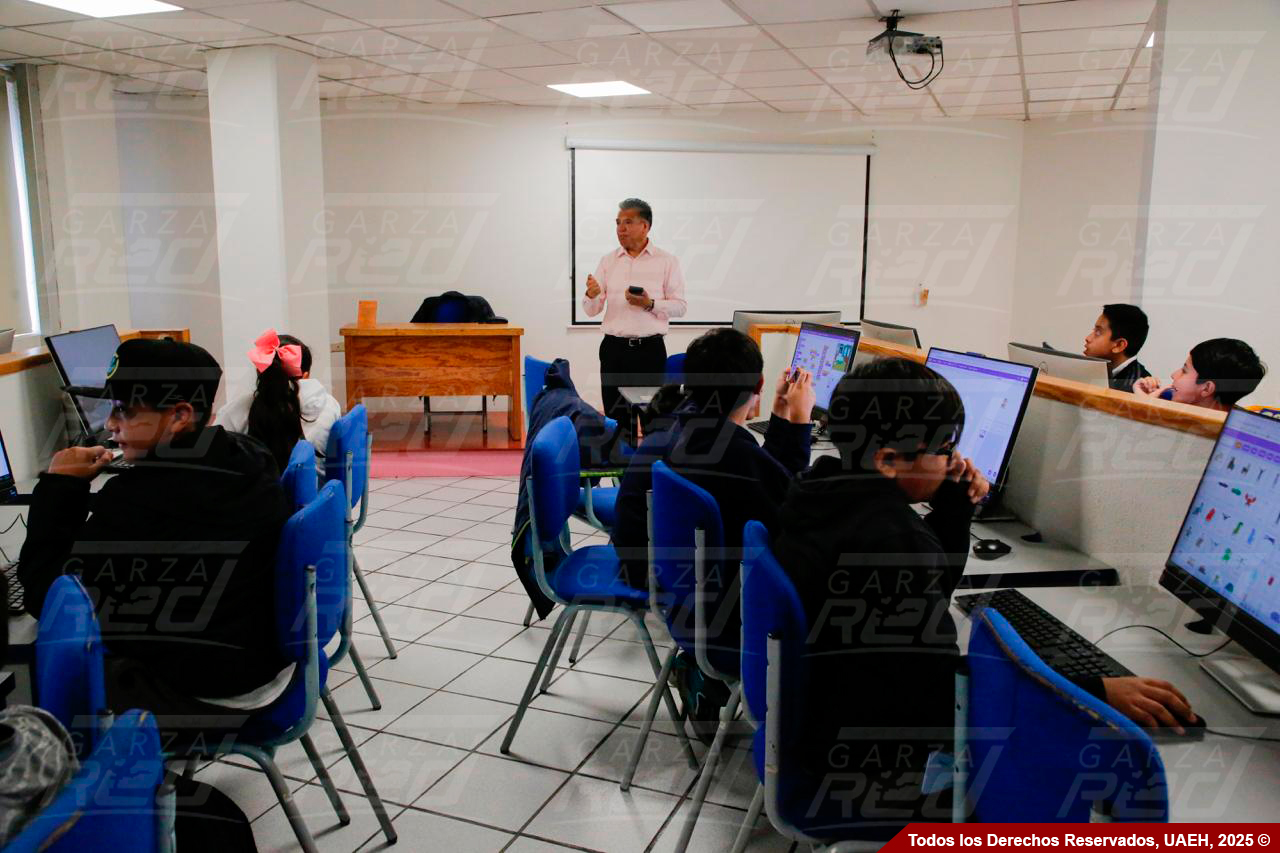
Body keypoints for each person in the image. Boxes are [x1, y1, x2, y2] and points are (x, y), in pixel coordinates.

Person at [773, 357, 1200, 826]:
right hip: (868, 769)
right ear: (888, 460)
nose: (956, 460)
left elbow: (927, 593)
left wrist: (952, 502)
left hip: (817, 726)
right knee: (1080, 790)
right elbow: (945, 697)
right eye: (945, 449)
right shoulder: (892, 539)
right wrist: (1094, 690)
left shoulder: (817, 489)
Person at [17, 338, 294, 742]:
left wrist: (58, 488)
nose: (111, 425)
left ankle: (86, 788)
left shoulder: (141, 500)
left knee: (45, 665)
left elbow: (49, 600)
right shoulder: (246, 455)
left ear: (180, 416)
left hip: (207, 695)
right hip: (261, 664)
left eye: (124, 411)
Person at [582, 198, 687, 433]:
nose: (621, 229)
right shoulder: (608, 261)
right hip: (613, 352)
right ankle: (621, 467)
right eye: (618, 223)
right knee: (617, 421)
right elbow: (591, 310)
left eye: (628, 222)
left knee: (653, 420)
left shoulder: (666, 261)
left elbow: (680, 306)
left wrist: (649, 304)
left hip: (648, 352)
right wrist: (591, 294)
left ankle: (650, 468)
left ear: (645, 226)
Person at [216, 329, 341, 473]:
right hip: (317, 492)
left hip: (257, 492)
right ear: (305, 376)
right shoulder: (330, 405)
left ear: (262, 374)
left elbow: (214, 455)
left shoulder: (235, 411)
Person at [1133, 338, 1266, 410]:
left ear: (1207, 388)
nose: (1173, 374)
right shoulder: (1166, 398)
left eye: (1184, 371)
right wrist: (1142, 402)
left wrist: (1144, 411)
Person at [1083, 303, 1152, 392]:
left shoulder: (1139, 388)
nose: (1088, 338)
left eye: (1098, 333)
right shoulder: (1093, 371)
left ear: (1119, 345)